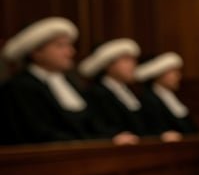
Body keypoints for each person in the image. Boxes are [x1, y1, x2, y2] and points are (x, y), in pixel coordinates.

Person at [1, 17, 138, 145]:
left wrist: (113, 137)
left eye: (69, 46)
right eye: (61, 46)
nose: (70, 52)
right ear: (36, 51)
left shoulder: (69, 84)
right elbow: (38, 135)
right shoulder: (19, 87)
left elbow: (92, 125)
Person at [79, 38, 147, 137]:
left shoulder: (131, 92)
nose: (133, 64)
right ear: (108, 64)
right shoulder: (96, 93)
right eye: (126, 60)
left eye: (133, 60)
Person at [135, 52, 198, 138]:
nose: (178, 76)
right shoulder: (148, 99)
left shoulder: (173, 96)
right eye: (173, 72)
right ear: (159, 74)